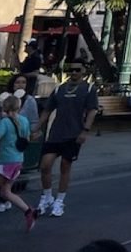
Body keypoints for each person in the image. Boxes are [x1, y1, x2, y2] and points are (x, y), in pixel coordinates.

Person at [37, 61, 98, 219]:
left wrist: (85, 130)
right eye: (71, 70)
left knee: (65, 166)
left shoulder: (89, 89)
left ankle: (60, 200)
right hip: (56, 133)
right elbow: (48, 109)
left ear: (84, 71)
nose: (74, 72)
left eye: (78, 69)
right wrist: (36, 127)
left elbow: (92, 110)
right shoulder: (60, 89)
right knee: (45, 165)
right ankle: (47, 196)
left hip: (74, 134)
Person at [0, 95, 36, 234]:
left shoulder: (4, 122)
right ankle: (29, 211)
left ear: (4, 107)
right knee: (5, 191)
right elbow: (27, 138)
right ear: (19, 107)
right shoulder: (24, 120)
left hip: (5, 161)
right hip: (18, 160)